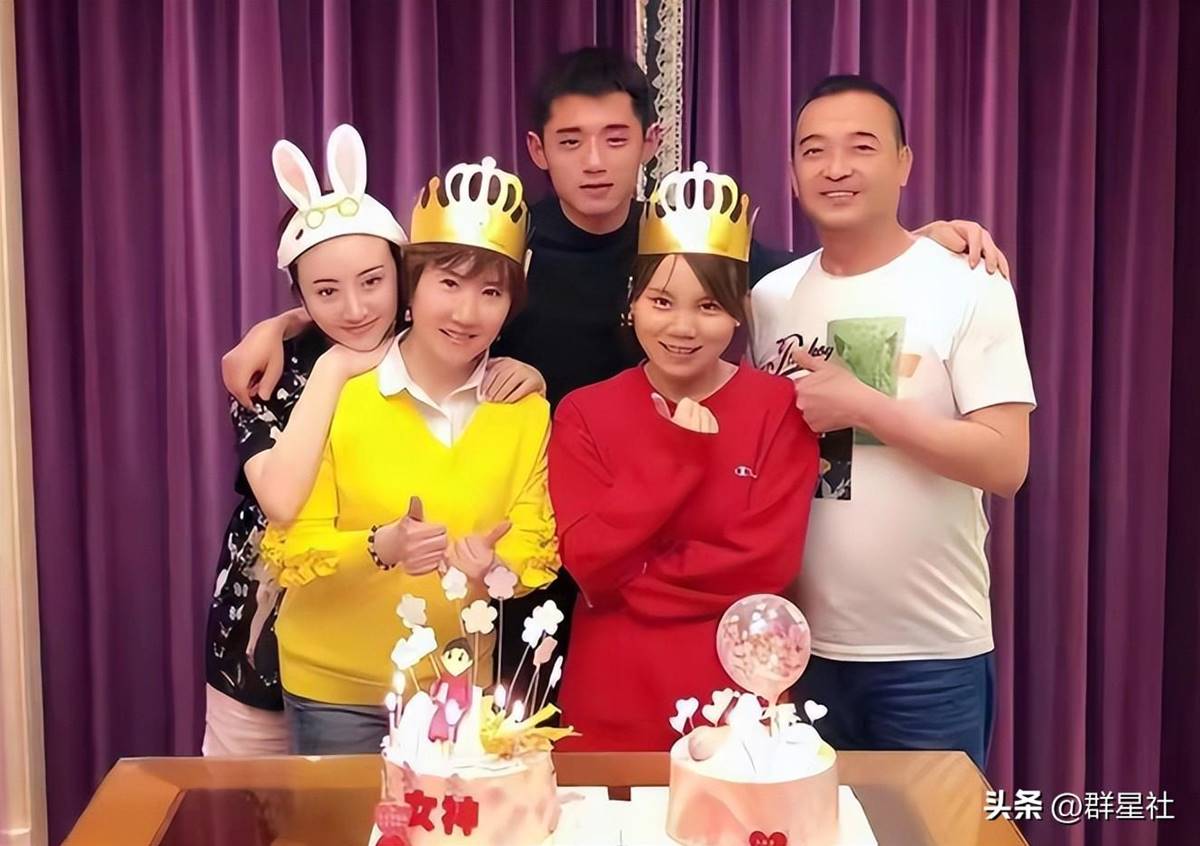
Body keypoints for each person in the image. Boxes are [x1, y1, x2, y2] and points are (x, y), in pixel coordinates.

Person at [221, 48, 1012, 687]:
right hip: (524, 568)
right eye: (570, 141)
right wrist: (284, 324)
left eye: (615, 137)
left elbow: (818, 275)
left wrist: (920, 242)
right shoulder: (505, 247)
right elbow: (392, 298)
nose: (595, 161)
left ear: (651, 141)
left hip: (662, 573)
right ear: (539, 150)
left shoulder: (685, 241)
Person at [750, 75, 1036, 770]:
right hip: (800, 650)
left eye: (862, 147)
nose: (836, 168)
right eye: (814, 151)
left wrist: (866, 406)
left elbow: (1007, 464)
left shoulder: (967, 282)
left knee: (931, 824)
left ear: (904, 163)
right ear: (791, 172)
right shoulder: (770, 298)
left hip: (930, 653)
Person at [262, 156, 559, 755]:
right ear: (411, 284)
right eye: (448, 284)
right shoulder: (337, 393)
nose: (466, 313)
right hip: (336, 690)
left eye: (491, 292)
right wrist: (382, 546)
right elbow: (291, 542)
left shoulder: (524, 410)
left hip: (457, 687)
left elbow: (533, 544)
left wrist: (492, 568)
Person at [548, 164, 820, 751]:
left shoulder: (779, 408)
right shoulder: (583, 412)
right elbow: (586, 560)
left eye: (708, 306)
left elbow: (767, 566)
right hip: (611, 690)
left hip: (736, 691)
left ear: (739, 310)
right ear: (633, 300)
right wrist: (675, 459)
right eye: (662, 301)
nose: (682, 327)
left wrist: (633, 577)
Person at [203, 124, 407, 755]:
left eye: (372, 281)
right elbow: (282, 501)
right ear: (299, 293)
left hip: (394, 641)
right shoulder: (268, 371)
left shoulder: (437, 350)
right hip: (260, 635)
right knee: (244, 801)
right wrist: (333, 365)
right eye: (325, 292)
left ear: (402, 273)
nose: (355, 309)